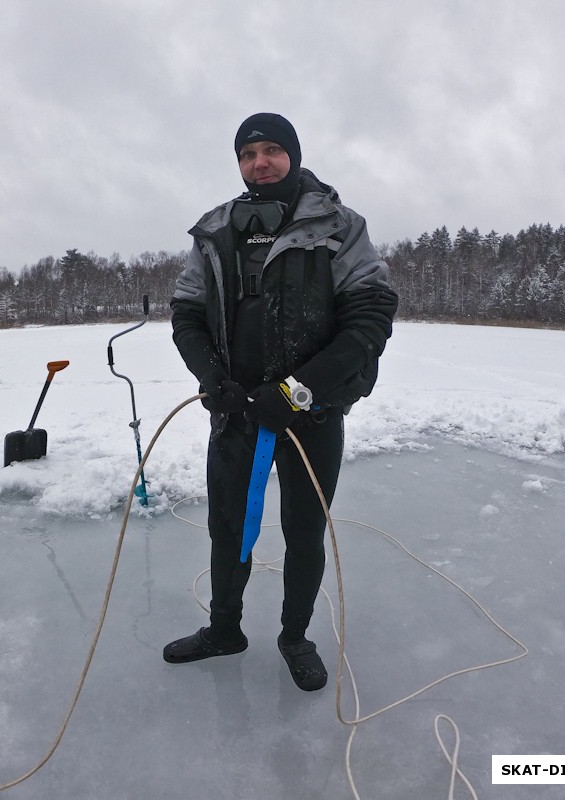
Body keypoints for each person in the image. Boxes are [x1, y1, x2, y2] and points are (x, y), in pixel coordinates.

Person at [165, 113, 398, 691]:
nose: (259, 162)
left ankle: (295, 636)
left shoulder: (338, 224)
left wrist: (298, 390)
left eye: (271, 150)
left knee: (303, 528)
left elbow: (370, 317)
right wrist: (211, 376)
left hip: (309, 413)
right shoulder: (216, 228)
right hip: (237, 409)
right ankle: (225, 630)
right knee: (227, 527)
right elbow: (187, 313)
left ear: (292, 154)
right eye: (247, 153)